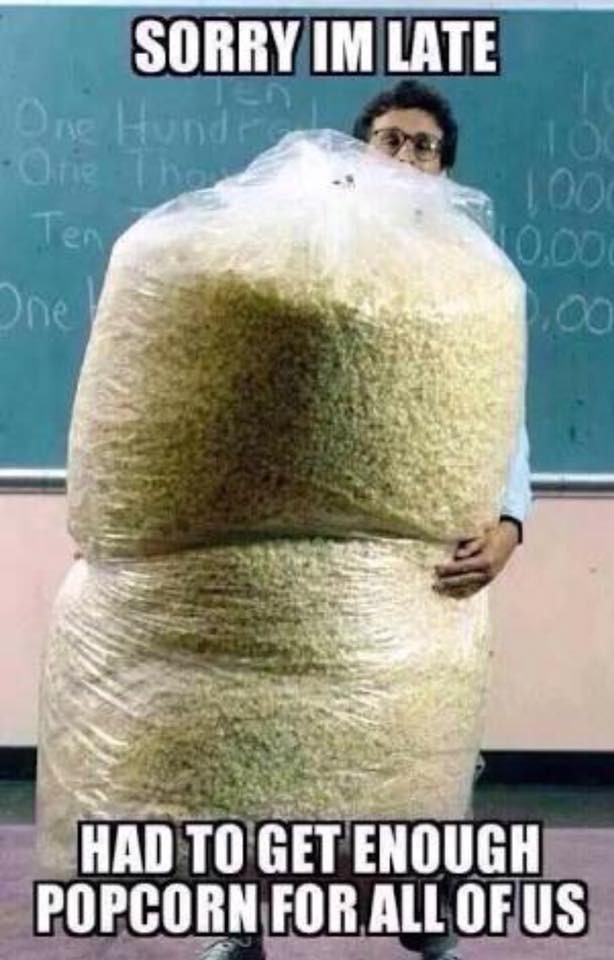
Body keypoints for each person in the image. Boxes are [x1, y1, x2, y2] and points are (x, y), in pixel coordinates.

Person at [198, 80, 531, 960]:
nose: (405, 155)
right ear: (359, 150)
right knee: (268, 740)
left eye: (424, 145)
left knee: (414, 746)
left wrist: (509, 527)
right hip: (296, 562)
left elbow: (503, 420)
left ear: (445, 169)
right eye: (389, 138)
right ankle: (239, 920)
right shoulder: (301, 250)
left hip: (418, 572)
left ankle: (426, 915)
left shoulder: (475, 280)